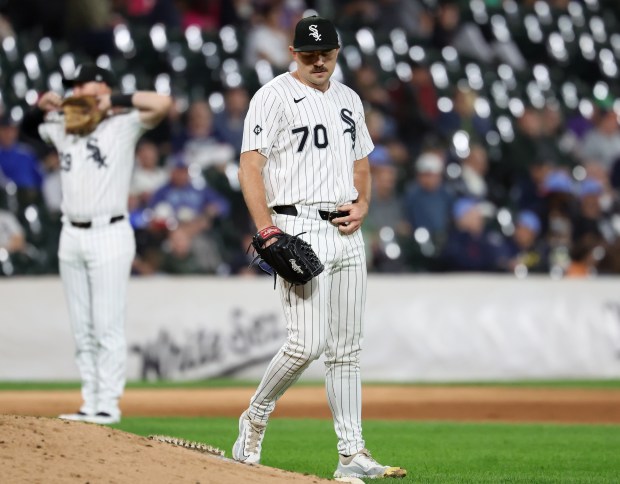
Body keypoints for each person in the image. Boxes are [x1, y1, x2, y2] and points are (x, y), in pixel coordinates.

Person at [232, 15, 406, 480]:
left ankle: (351, 455)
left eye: (325, 52)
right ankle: (255, 416)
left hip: (346, 230)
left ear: (338, 51)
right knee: (306, 343)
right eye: (308, 54)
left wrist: (364, 202)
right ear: (293, 54)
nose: (318, 60)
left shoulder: (349, 99)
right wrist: (266, 229)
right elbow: (249, 166)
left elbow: (361, 162)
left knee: (346, 349)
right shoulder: (272, 96)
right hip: (296, 224)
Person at [24, 63, 172, 424]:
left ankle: (108, 402)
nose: (75, 91)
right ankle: (89, 401)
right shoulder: (65, 126)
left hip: (110, 232)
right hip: (70, 233)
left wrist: (112, 100)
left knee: (107, 323)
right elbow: (28, 129)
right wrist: (43, 103)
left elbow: (162, 103)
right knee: (82, 326)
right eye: (72, 86)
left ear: (102, 86)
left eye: (82, 84)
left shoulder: (123, 124)